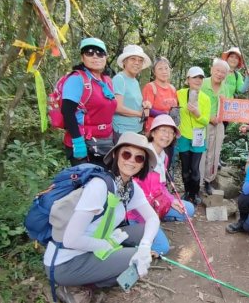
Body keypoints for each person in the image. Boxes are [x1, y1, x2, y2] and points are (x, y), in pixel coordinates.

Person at [43, 132, 160, 303]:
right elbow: (70, 240)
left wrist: (145, 245)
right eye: (126, 154)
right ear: (115, 155)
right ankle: (77, 287)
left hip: (92, 242)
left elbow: (152, 219)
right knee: (134, 258)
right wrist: (108, 247)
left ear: (143, 164)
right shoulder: (100, 186)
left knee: (145, 235)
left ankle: (95, 277)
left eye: (139, 158)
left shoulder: (129, 187)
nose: (131, 161)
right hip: (65, 262)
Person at [126, 115, 196, 255]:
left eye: (171, 132)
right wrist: (153, 215)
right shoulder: (142, 155)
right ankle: (131, 237)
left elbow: (161, 186)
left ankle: (155, 222)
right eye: (163, 130)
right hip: (136, 212)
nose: (167, 135)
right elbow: (133, 193)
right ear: (153, 132)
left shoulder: (164, 156)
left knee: (188, 209)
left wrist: (171, 200)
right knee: (162, 248)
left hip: (155, 203)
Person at [61, 37, 117, 167]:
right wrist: (77, 141)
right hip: (84, 143)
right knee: (87, 184)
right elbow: (67, 111)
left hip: (105, 142)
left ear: (106, 57)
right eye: (89, 52)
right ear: (82, 57)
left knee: (105, 182)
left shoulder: (107, 81)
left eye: (100, 53)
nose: (95, 56)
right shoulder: (76, 79)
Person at [177, 67, 211, 205]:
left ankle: (195, 193)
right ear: (188, 80)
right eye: (195, 77)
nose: (198, 80)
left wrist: (197, 114)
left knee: (195, 168)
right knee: (185, 169)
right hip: (183, 136)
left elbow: (206, 120)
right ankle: (186, 192)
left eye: (201, 78)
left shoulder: (205, 98)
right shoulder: (179, 94)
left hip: (198, 136)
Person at [199, 58, 231, 195]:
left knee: (215, 153)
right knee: (201, 153)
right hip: (202, 123)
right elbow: (194, 103)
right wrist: (209, 117)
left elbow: (229, 107)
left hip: (219, 124)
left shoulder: (226, 87)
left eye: (223, 72)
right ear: (212, 70)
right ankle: (197, 182)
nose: (219, 74)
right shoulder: (202, 83)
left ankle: (208, 181)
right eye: (217, 70)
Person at [112, 44, 152, 138]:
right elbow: (117, 107)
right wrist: (140, 114)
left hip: (136, 129)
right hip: (123, 130)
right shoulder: (119, 79)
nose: (137, 63)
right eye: (133, 59)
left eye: (140, 60)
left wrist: (144, 104)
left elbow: (132, 102)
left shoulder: (135, 81)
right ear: (124, 62)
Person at [142, 57, 178, 133]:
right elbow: (148, 110)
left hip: (169, 130)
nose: (164, 71)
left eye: (166, 68)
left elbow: (174, 109)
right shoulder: (150, 87)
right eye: (160, 69)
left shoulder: (172, 89)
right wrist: (166, 114)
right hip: (154, 131)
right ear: (154, 72)